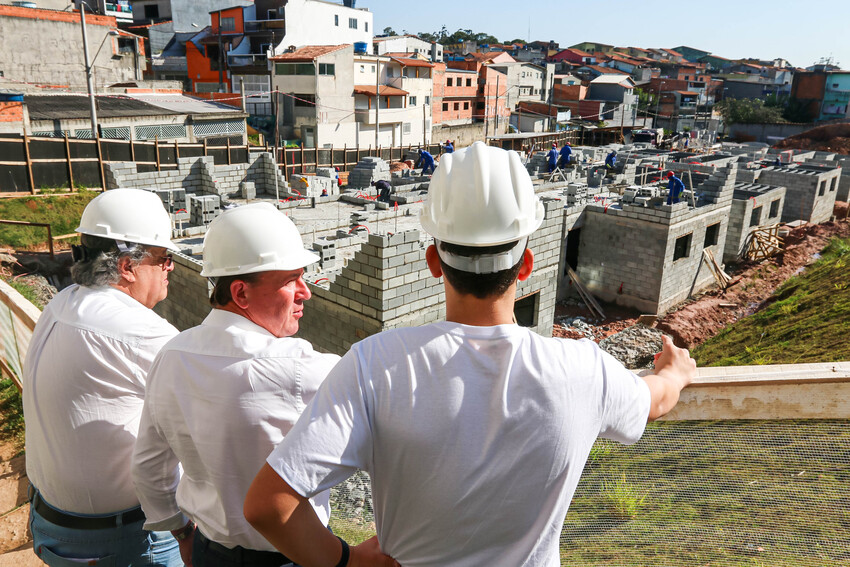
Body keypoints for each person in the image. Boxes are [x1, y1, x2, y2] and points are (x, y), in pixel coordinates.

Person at [243, 141, 696, 567]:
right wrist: (675, 373)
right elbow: (654, 400)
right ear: (526, 264)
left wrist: (348, 559)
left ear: (434, 261)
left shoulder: (373, 364)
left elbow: (268, 506)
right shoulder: (583, 367)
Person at [132, 203, 345, 567]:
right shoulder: (300, 368)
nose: (305, 292)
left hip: (209, 552)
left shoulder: (171, 354)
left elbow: (150, 467)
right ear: (241, 293)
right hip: (288, 558)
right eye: (291, 280)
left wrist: (182, 534)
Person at [23, 188, 183, 566]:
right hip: (122, 540)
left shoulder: (62, 302)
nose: (171, 268)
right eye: (165, 258)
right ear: (128, 266)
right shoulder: (142, 332)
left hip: (51, 524)